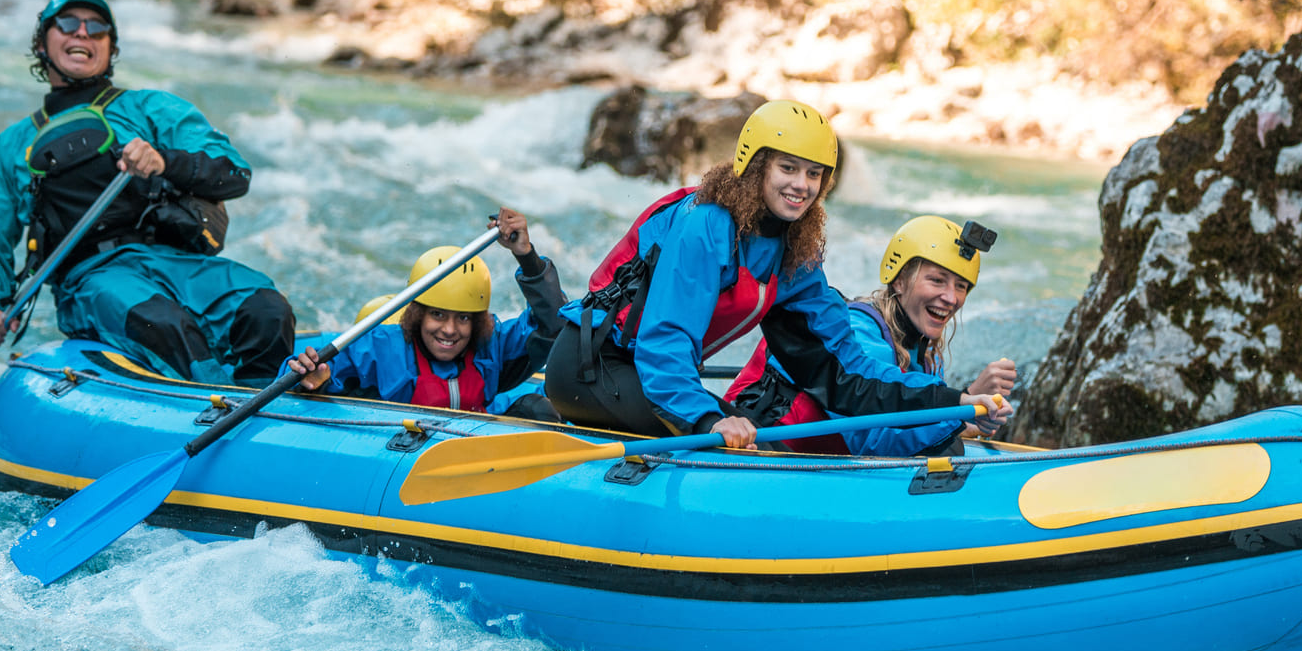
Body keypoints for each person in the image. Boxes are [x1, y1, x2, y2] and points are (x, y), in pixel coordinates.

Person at [545, 99, 1012, 446]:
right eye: (788, 168)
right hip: (594, 367)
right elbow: (665, 339)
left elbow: (848, 372)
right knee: (728, 444)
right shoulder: (706, 223)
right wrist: (708, 420)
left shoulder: (796, 255)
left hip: (651, 378)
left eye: (814, 174)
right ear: (755, 166)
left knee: (752, 443)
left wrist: (952, 401)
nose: (801, 186)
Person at [0, 0, 295, 386]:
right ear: (42, 42)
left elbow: (234, 173)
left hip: (175, 263)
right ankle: (217, 404)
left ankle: (265, 413)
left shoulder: (151, 109)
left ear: (110, 47)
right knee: (161, 324)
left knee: (265, 309)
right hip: (90, 279)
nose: (83, 34)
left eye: (97, 28)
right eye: (68, 23)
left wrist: (164, 161)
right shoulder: (13, 145)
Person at [725, 215, 1017, 456]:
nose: (951, 297)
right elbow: (872, 441)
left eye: (962, 286)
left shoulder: (922, 351)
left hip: (814, 461)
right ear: (900, 280)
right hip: (759, 446)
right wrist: (960, 408)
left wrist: (973, 411)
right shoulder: (859, 332)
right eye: (937, 280)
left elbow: (910, 421)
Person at [283, 209, 567, 420]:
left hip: (477, 447)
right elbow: (308, 371)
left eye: (464, 317)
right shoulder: (381, 346)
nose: (450, 330)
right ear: (417, 314)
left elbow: (554, 325)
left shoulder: (490, 345)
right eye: (438, 315)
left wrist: (526, 256)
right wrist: (312, 378)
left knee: (538, 410)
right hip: (397, 455)